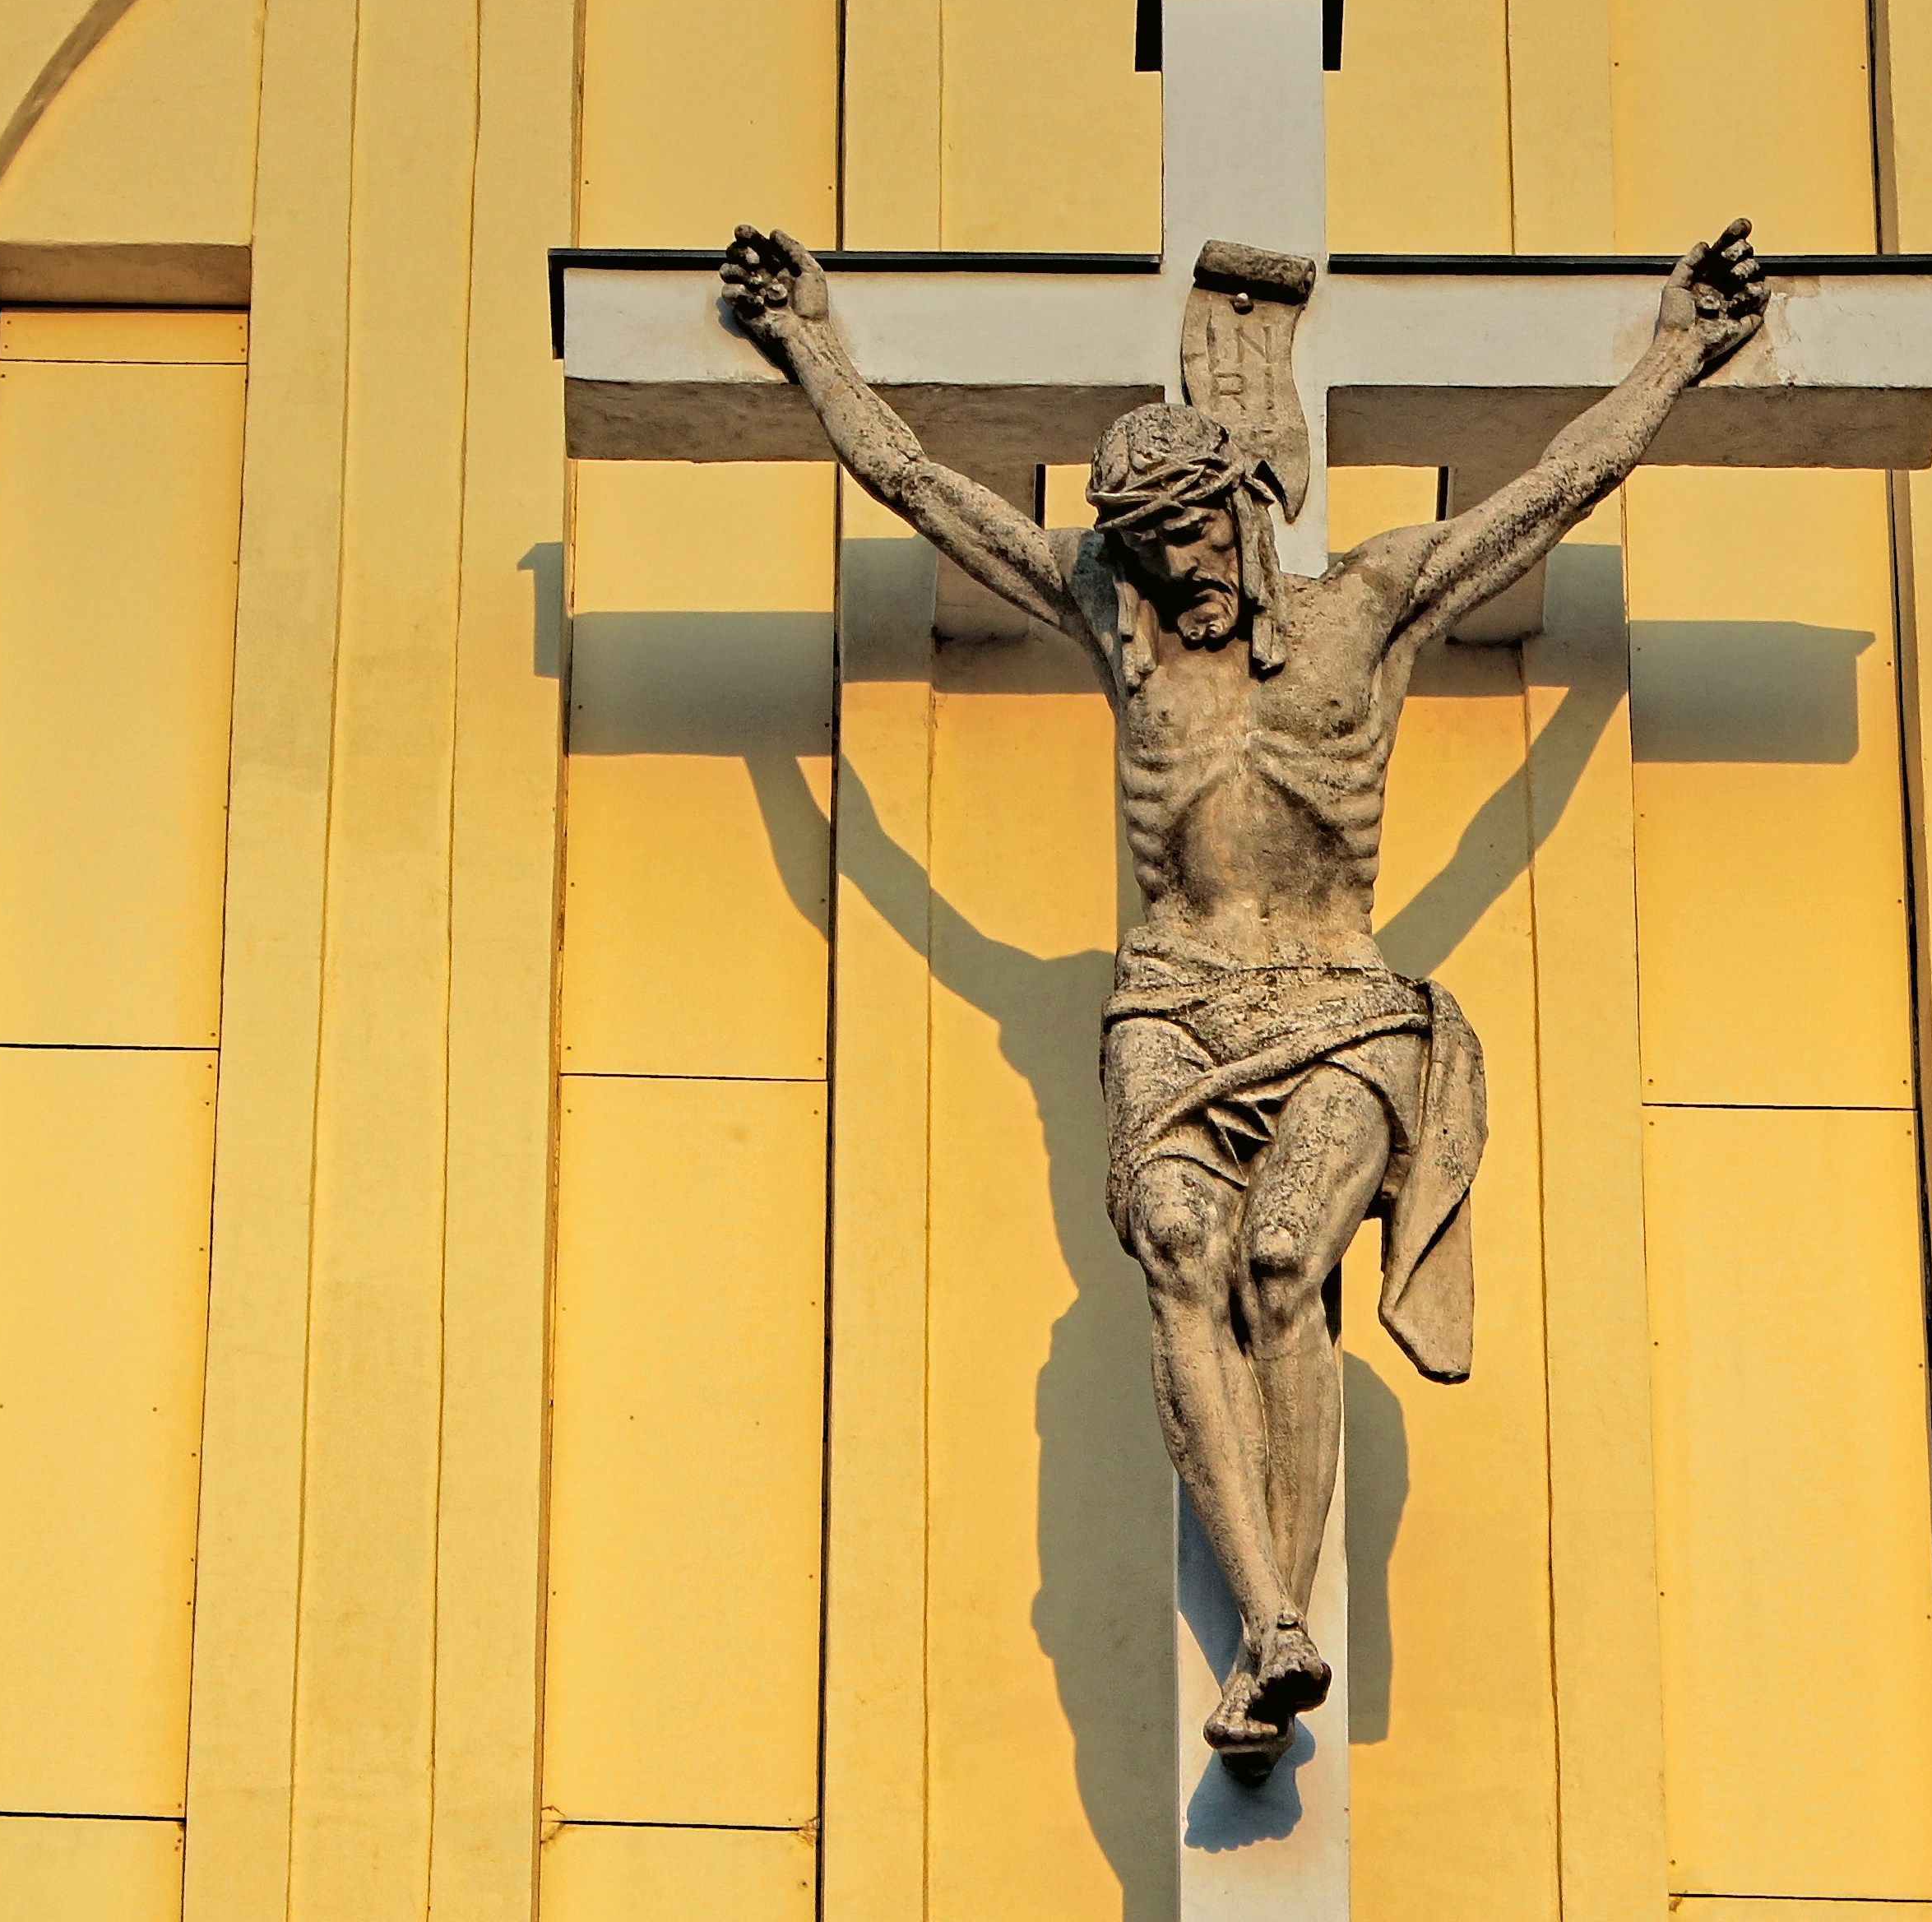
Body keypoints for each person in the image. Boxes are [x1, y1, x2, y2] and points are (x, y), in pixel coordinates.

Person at [716, 215, 1769, 1770]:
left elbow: (1553, 488)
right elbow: (924, 489)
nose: (1174, 579)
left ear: (1241, 511)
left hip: (1339, 1005)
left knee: (1286, 1262)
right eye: (1143, 556)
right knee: (1183, 1250)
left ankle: (1279, 1618)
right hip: (1170, 1003)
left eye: (1192, 543)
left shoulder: (1373, 604)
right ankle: (1269, 1623)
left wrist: (1682, 352)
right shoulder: (1118, 626)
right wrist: (811, 347)